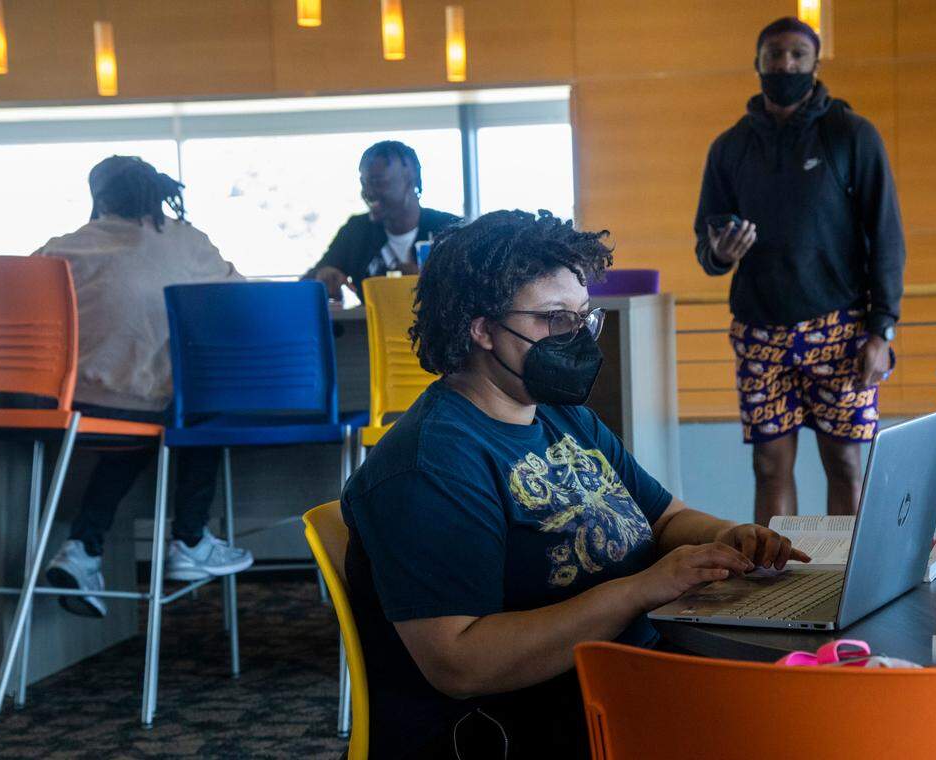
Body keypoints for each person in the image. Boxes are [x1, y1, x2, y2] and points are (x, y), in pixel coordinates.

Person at [341, 210, 811, 758]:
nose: (576, 336)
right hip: (534, 724)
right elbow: (460, 663)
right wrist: (638, 590)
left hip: (633, 680)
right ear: (482, 327)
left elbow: (665, 519)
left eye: (584, 317)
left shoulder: (561, 416)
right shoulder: (432, 465)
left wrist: (731, 534)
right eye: (553, 318)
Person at [693, 16, 905, 526]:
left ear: (814, 64)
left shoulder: (851, 134)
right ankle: (774, 584)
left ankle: (850, 586)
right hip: (759, 329)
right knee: (768, 466)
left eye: (796, 55)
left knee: (845, 461)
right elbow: (707, 250)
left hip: (841, 328)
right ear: (758, 63)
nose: (784, 63)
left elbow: (888, 236)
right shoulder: (729, 147)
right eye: (774, 55)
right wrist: (721, 251)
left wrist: (882, 329)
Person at [32, 156, 254, 618]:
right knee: (193, 400)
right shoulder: (184, 241)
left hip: (62, 410)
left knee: (146, 411)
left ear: (98, 198)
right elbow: (242, 300)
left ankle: (83, 549)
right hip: (143, 408)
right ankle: (190, 537)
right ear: (157, 193)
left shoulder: (61, 248)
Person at [302, 141, 460, 301]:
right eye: (364, 184)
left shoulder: (451, 229)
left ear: (409, 179)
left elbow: (477, 287)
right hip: (371, 326)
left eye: (378, 183)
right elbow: (305, 284)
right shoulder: (356, 231)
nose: (368, 193)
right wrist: (322, 278)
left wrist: (428, 280)